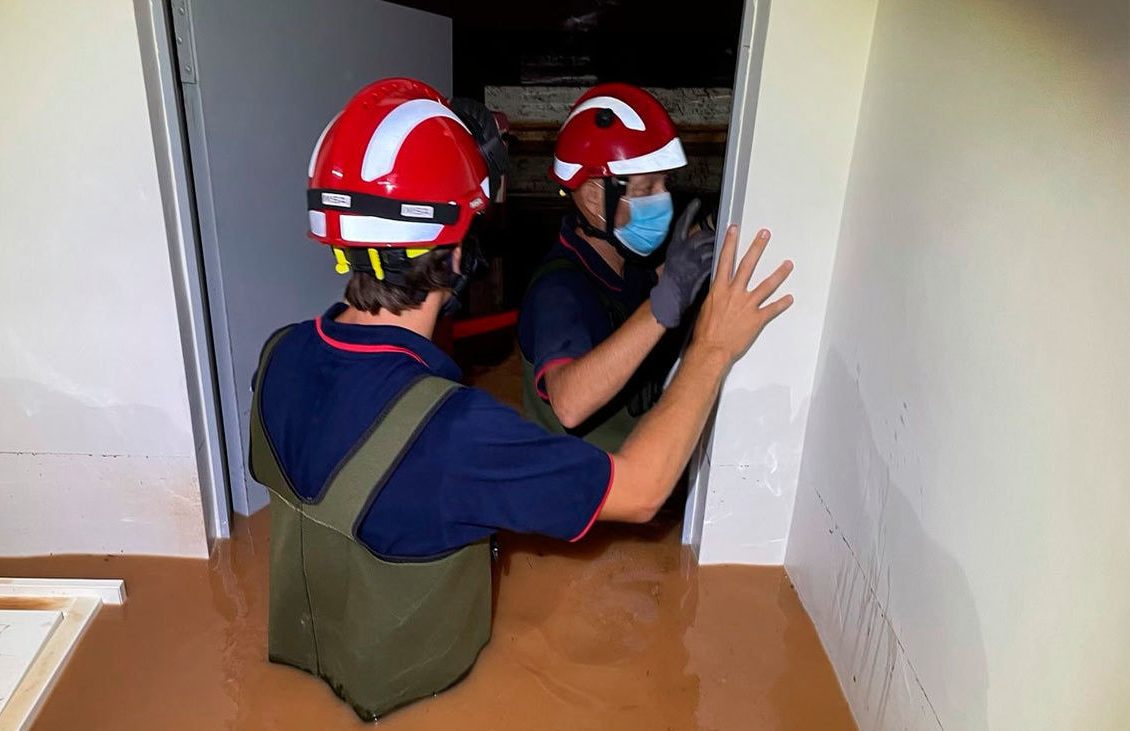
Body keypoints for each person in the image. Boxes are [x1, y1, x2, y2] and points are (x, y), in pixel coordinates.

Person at [249, 78, 793, 721]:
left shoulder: (277, 354)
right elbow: (641, 489)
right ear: (458, 254)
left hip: (304, 671)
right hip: (425, 697)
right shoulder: (456, 432)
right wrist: (712, 346)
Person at [518, 83, 717, 456]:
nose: (662, 200)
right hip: (579, 501)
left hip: (625, 481)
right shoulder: (561, 290)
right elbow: (569, 403)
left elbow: (652, 282)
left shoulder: (619, 264)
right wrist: (662, 307)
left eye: (664, 184)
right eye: (645, 189)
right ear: (595, 196)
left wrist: (708, 230)